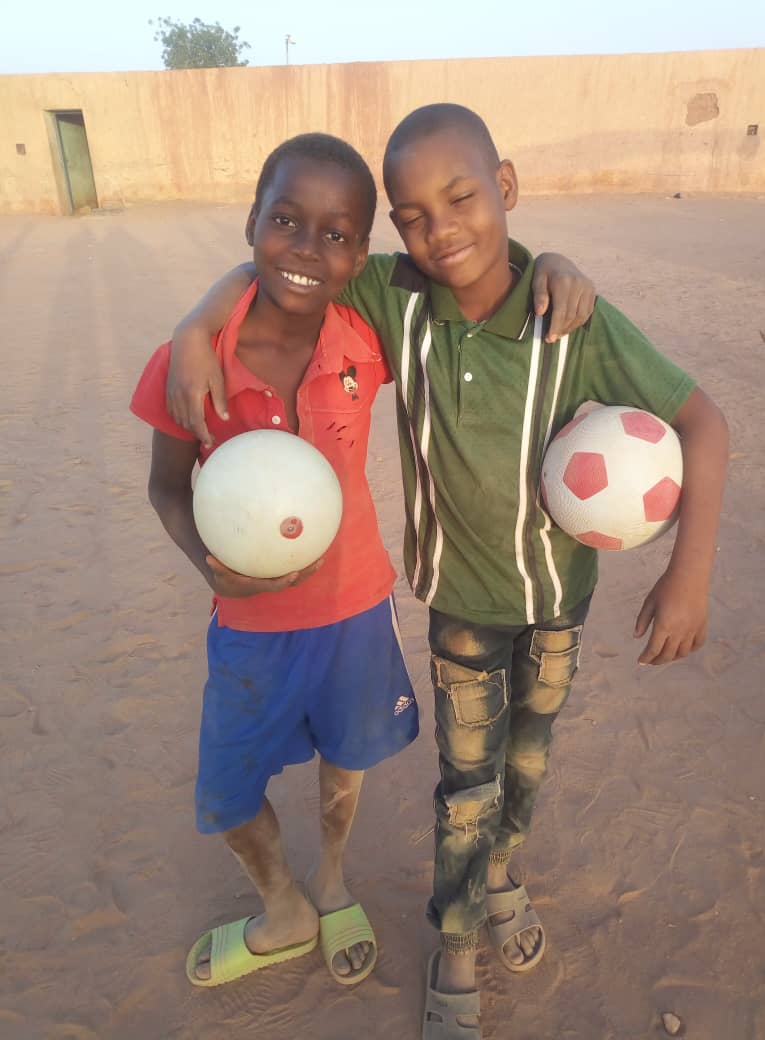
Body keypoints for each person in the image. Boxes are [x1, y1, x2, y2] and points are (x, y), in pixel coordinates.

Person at [166, 105, 728, 1039]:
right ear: (395, 231)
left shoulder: (573, 319)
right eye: (413, 216)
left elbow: (703, 421)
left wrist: (690, 575)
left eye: (462, 198)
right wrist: (198, 323)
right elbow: (289, 265)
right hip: (462, 612)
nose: (441, 230)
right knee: (466, 790)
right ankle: (456, 947)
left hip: (558, 608)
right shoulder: (403, 301)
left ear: (505, 187)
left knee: (526, 767)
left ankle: (502, 876)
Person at [131, 133, 425, 991]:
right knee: (227, 791)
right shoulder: (190, 364)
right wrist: (208, 566)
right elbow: (166, 488)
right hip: (250, 629)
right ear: (251, 222)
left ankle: (329, 883)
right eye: (285, 221)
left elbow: (465, 282)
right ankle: (281, 904)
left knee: (347, 760)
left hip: (356, 610)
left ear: (359, 257)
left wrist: (549, 262)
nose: (306, 248)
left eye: (336, 235)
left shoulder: (366, 338)